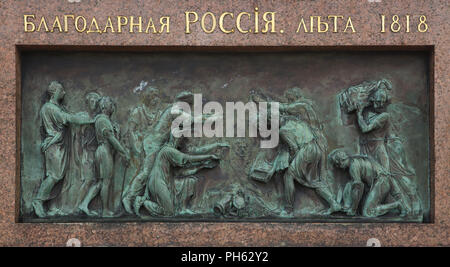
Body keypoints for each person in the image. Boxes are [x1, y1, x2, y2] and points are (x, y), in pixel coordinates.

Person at [122, 91, 219, 214]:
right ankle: (129, 197)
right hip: (153, 144)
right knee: (146, 172)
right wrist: (209, 118)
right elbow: (190, 120)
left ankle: (146, 198)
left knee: (152, 172)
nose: (189, 108)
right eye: (189, 104)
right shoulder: (174, 110)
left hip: (157, 145)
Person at [32, 81, 93, 218]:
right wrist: (91, 120)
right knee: (54, 176)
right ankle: (38, 201)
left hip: (61, 146)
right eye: (61, 90)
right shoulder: (49, 108)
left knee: (59, 176)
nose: (64, 93)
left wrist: (81, 116)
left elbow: (69, 115)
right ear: (54, 92)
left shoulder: (57, 107)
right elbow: (69, 118)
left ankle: (52, 207)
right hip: (54, 146)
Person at [136, 128, 228, 216]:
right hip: (157, 182)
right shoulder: (168, 151)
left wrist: (203, 165)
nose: (181, 141)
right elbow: (186, 159)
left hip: (164, 182)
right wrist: (209, 157)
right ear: (175, 138)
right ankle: (143, 202)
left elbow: (182, 169)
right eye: (180, 138)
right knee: (168, 212)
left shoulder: (170, 151)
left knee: (189, 183)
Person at [278, 88, 341, 215]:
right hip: (316, 147)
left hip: (309, 149)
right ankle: (334, 203)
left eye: (290, 99)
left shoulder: (300, 109)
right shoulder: (299, 120)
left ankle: (288, 209)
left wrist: (291, 161)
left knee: (289, 175)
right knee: (314, 180)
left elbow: (294, 148)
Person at [328, 149, 407, 217]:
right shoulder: (355, 160)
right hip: (383, 179)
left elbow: (358, 188)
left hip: (381, 181)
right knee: (350, 184)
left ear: (341, 161)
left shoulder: (353, 167)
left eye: (337, 164)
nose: (338, 167)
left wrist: (353, 209)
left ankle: (397, 204)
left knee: (368, 212)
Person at [93, 96, 130, 217]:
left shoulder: (106, 120)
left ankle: (86, 204)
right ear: (104, 106)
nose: (113, 105)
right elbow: (111, 139)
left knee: (103, 181)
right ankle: (105, 210)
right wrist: (123, 152)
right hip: (104, 151)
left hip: (105, 151)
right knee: (106, 182)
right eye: (110, 103)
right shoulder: (103, 120)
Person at [76, 92, 102, 216]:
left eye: (97, 102)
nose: (95, 104)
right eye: (92, 101)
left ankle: (84, 205)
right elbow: (78, 137)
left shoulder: (99, 117)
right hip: (87, 153)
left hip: (97, 153)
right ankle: (78, 207)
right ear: (87, 103)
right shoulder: (82, 116)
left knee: (96, 181)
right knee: (88, 180)